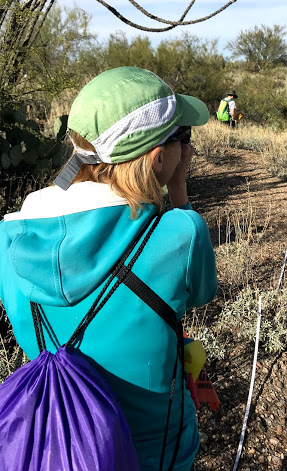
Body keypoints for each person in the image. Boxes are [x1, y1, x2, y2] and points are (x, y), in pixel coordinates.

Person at [0, 67, 217, 471]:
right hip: (155, 448)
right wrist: (179, 193)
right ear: (156, 157)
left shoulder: (10, 237)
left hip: (55, 440)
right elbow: (200, 292)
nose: (186, 149)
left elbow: (64, 187)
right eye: (182, 138)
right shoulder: (182, 232)